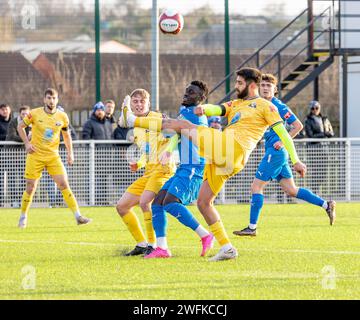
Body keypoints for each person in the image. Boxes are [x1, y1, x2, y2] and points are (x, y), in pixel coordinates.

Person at [119, 68, 307, 261]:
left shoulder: (265, 106)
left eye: (240, 83)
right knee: (203, 202)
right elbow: (218, 109)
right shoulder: (237, 103)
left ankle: (133, 120)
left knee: (182, 126)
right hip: (225, 158)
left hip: (232, 147)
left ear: (252, 85)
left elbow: (284, 133)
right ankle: (227, 247)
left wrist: (296, 160)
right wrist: (205, 109)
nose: (236, 86)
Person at [233, 74, 336, 237]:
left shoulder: (278, 106)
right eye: (263, 85)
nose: (265, 88)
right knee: (291, 190)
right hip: (275, 152)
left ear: (275, 90)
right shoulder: (261, 104)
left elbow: (298, 125)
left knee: (256, 186)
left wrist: (281, 141)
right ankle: (326, 205)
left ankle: (252, 228)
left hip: (276, 153)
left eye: (269, 86)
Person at [137, 81, 215, 259]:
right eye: (186, 91)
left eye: (191, 92)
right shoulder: (185, 112)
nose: (186, 94)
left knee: (171, 202)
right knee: (157, 203)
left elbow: (169, 130)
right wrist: (170, 150)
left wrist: (141, 121)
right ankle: (162, 248)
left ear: (201, 99)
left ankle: (205, 235)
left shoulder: (195, 115)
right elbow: (177, 133)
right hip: (184, 166)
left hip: (194, 167)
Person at [16, 88, 91, 228]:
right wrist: (27, 144)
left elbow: (66, 136)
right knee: (31, 187)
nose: (51, 101)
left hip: (53, 156)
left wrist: (70, 153)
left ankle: (78, 216)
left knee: (64, 184)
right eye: (49, 98)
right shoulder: (34, 113)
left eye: (54, 98)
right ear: (44, 99)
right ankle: (23, 216)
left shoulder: (62, 117)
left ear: (57, 100)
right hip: (35, 155)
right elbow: (20, 127)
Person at [116, 89, 176, 256]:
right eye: (135, 101)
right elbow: (146, 152)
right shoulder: (136, 127)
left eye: (142, 101)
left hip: (164, 170)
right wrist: (139, 163)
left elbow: (175, 136)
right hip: (149, 173)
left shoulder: (158, 118)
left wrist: (169, 152)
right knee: (122, 207)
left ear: (149, 104)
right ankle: (142, 244)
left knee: (144, 203)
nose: (139, 104)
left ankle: (153, 244)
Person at [304, 100, 334, 195]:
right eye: (313, 108)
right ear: (310, 109)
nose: (315, 110)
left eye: (316, 108)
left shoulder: (324, 119)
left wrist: (326, 134)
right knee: (315, 171)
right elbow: (310, 135)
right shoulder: (308, 120)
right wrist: (323, 134)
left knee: (323, 172)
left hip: (324, 149)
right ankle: (314, 192)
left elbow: (331, 132)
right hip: (313, 149)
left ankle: (316, 190)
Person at [0, 103, 13, 207]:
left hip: (11, 155)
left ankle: (14, 201)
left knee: (12, 177)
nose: (4, 111)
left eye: (6, 109)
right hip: (1, 153)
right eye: (2, 109)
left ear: (10, 110)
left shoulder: (14, 122)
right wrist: (8, 137)